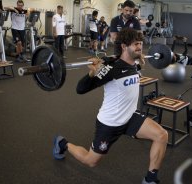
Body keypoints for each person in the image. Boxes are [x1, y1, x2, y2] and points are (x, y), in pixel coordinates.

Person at [53, 28, 168, 184]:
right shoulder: (110, 69)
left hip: (129, 117)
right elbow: (80, 89)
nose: (139, 48)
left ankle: (151, 179)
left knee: (161, 135)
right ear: (124, 46)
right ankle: (62, 143)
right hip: (110, 123)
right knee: (90, 161)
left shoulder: (134, 63)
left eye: (140, 44)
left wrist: (139, 61)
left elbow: (134, 65)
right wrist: (91, 74)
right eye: (135, 44)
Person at [110, 1, 144, 74]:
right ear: (122, 10)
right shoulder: (115, 20)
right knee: (118, 69)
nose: (128, 13)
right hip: (119, 48)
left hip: (132, 48)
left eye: (131, 11)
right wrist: (130, 38)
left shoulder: (135, 21)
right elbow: (114, 37)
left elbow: (139, 37)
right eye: (126, 10)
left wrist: (139, 53)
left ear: (133, 11)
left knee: (134, 70)